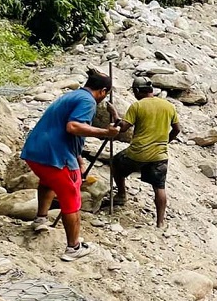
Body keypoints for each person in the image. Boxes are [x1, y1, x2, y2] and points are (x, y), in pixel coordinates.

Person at [20, 71, 119, 261]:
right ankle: (73, 247)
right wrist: (105, 132)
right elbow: (73, 127)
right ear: (103, 91)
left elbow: (66, 131)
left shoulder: (72, 95)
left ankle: (41, 218)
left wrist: (79, 159)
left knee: (48, 182)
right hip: (56, 155)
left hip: (35, 151)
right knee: (71, 199)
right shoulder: (88, 101)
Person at [112, 77, 180, 228]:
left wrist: (115, 115)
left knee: (116, 162)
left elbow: (123, 128)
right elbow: (177, 129)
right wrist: (165, 142)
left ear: (137, 90)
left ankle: (121, 194)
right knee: (159, 187)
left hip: (137, 153)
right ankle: (160, 222)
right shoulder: (169, 106)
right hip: (159, 155)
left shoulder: (137, 106)